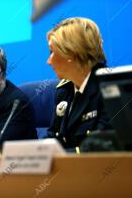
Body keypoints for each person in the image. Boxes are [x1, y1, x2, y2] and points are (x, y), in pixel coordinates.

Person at [46, 17, 111, 150]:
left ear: (70, 52)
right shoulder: (64, 91)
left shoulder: (109, 88)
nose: (49, 61)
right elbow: (53, 138)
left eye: (52, 52)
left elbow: (101, 149)